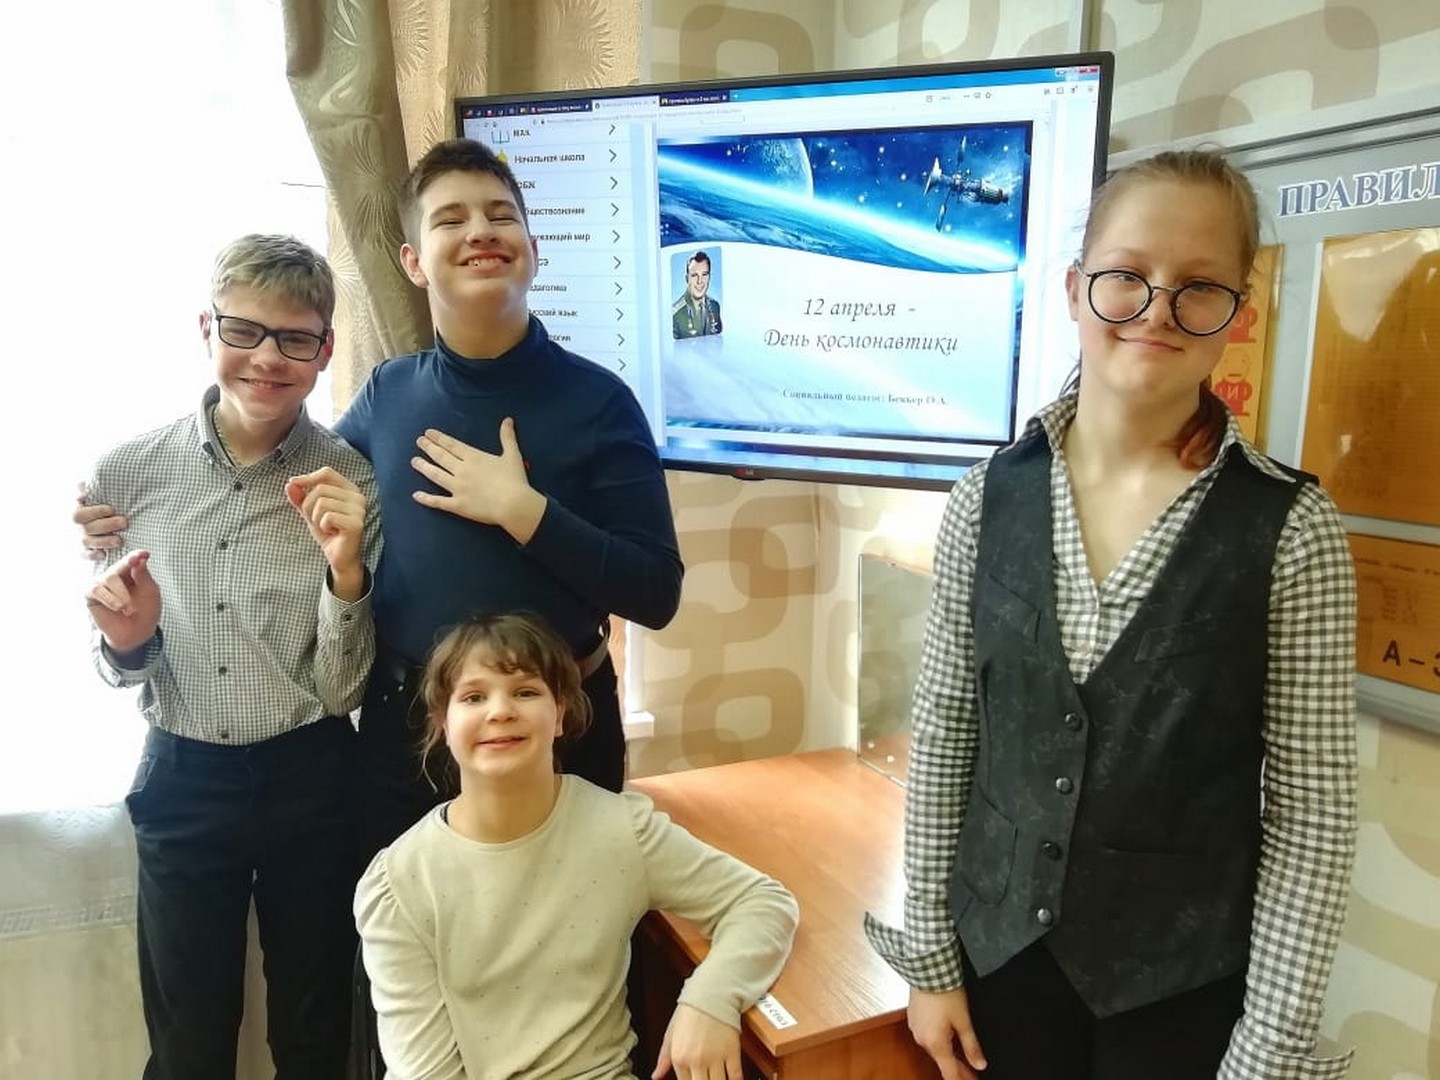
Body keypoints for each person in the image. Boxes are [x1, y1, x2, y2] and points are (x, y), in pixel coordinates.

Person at [864, 148, 1359, 1080]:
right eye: (1127, 275)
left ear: (1237, 313)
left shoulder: (1293, 530)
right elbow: (946, 736)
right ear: (1074, 287)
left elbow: (1312, 816)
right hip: (1000, 964)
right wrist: (928, 956)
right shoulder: (983, 499)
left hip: (1182, 987)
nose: (1157, 310)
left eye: (1198, 287)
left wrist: (1271, 1046)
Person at [78, 138, 685, 862]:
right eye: (450, 219)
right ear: (413, 263)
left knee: (573, 927)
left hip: (559, 729)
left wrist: (524, 512)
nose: (480, 231)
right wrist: (125, 513)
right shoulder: (390, 392)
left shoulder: (601, 402)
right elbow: (277, 487)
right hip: (406, 738)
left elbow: (656, 593)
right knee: (397, 931)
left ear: (533, 248)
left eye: (500, 215)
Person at [84, 233, 382, 1079]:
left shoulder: (352, 483)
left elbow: (343, 689)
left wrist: (347, 572)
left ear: (326, 349)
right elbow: (122, 654)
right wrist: (126, 641)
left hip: (313, 776)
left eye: (295, 338)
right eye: (244, 330)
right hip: (184, 776)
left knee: (317, 1033)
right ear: (206, 329)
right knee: (188, 1041)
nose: (267, 358)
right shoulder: (127, 473)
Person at [356, 612, 797, 1080]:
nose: (500, 711)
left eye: (526, 691)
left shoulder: (620, 829)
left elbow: (762, 901)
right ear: (442, 724)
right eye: (474, 697)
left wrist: (710, 1000)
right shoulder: (399, 883)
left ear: (560, 714)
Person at [672, 250, 723, 338]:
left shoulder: (715, 306)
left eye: (704, 275)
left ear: (709, 277)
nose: (700, 281)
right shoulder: (675, 315)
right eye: (694, 275)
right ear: (687, 279)